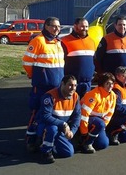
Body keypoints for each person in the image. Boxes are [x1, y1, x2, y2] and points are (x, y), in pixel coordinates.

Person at [22, 17, 64, 151]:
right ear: (46, 26)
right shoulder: (38, 41)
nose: (57, 29)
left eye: (59, 26)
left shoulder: (57, 42)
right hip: (41, 86)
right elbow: (27, 62)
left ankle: (45, 138)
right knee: (37, 112)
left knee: (51, 114)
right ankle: (31, 139)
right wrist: (34, 76)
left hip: (56, 87)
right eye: (54, 26)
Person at [37, 75, 81, 164]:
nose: (73, 88)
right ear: (62, 84)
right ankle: (45, 151)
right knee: (52, 129)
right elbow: (45, 116)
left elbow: (77, 116)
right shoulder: (49, 96)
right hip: (46, 126)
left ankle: (51, 143)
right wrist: (63, 124)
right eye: (70, 85)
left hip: (61, 129)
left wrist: (72, 131)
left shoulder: (75, 97)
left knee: (68, 152)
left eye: (75, 85)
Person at [79, 72, 116, 153]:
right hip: (88, 120)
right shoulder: (94, 95)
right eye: (107, 83)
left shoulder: (113, 95)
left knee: (103, 144)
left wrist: (104, 126)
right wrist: (84, 133)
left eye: (112, 83)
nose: (110, 86)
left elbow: (110, 113)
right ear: (102, 84)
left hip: (99, 122)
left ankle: (92, 137)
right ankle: (86, 143)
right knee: (100, 124)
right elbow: (84, 115)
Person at [61, 17, 96, 98]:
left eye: (86, 26)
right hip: (72, 83)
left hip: (87, 83)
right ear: (75, 26)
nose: (85, 29)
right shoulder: (65, 41)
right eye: (82, 26)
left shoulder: (91, 41)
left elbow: (94, 60)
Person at [106, 67, 126, 145]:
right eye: (123, 76)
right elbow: (118, 108)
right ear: (117, 76)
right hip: (116, 117)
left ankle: (118, 132)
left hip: (124, 114)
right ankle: (114, 132)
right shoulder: (116, 89)